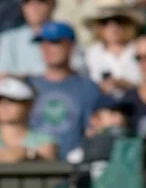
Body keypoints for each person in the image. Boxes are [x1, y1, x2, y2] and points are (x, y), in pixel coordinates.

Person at [28, 21, 102, 157]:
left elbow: (93, 130)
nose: (47, 48)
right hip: (35, 167)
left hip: (73, 167)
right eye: (43, 43)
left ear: (71, 46)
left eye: (54, 42)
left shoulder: (88, 87)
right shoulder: (28, 85)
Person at [0, 77, 56, 162]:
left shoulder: (44, 140)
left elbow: (48, 157)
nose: (3, 104)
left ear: (29, 105)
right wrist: (26, 153)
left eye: (12, 100)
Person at [0, 0, 56, 85]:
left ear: (53, 4)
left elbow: (72, 77)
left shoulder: (64, 36)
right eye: (27, 0)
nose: (34, 6)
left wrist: (21, 78)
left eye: (41, 0)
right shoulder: (8, 39)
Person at [81, 0, 143, 93]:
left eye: (118, 20)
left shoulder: (141, 49)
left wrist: (126, 85)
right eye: (105, 22)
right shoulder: (91, 53)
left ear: (128, 23)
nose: (113, 27)